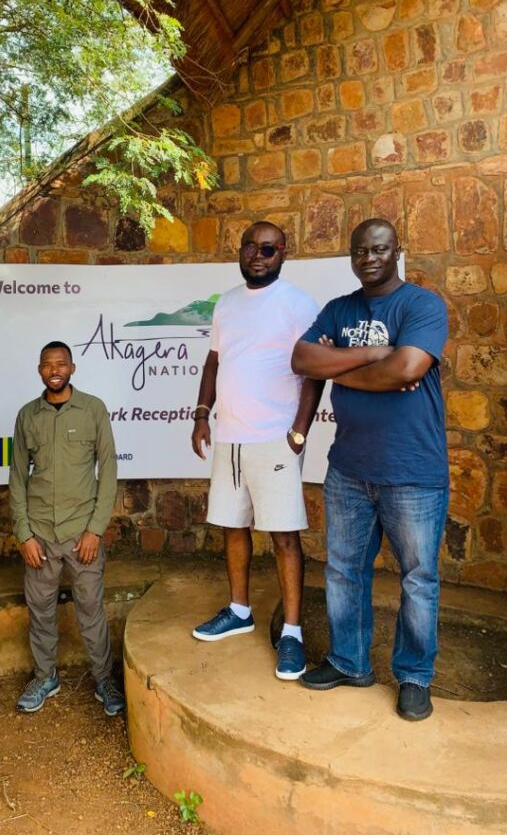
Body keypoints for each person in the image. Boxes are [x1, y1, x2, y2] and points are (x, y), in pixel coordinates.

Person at [291, 218, 448, 722]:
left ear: (397, 249)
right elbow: (302, 359)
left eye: (379, 249)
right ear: (352, 255)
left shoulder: (422, 305)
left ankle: (414, 676)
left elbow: (408, 369)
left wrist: (341, 367)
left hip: (413, 470)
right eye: (360, 251)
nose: (369, 258)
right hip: (349, 469)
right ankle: (349, 662)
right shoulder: (339, 309)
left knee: (418, 579)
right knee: (343, 569)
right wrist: (374, 355)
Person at [191, 221, 324, 681]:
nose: (258, 255)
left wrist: (299, 431)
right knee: (232, 525)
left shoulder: (297, 303)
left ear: (283, 253)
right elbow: (214, 360)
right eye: (250, 246)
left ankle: (292, 633)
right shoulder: (227, 303)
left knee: (283, 536)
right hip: (230, 437)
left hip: (275, 437)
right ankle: (239, 610)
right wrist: (202, 414)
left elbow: (314, 371)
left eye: (268, 249)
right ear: (240, 250)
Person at [8, 340, 125, 717]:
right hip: (40, 535)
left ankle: (104, 679)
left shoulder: (93, 409)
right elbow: (17, 477)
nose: (54, 370)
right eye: (48, 364)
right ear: (39, 370)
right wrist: (24, 534)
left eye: (61, 364)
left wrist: (95, 530)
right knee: (40, 611)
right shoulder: (28, 416)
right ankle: (45, 677)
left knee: (91, 610)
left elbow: (108, 471)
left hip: (82, 534)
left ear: (72, 368)